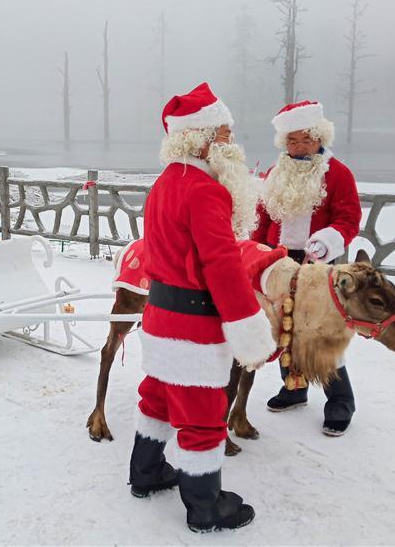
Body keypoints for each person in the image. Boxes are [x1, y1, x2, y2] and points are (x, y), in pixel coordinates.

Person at [129, 82, 276, 533]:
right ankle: (205, 506)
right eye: (226, 134)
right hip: (193, 323)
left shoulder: (164, 184)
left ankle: (146, 473)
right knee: (203, 415)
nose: (232, 143)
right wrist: (248, 324)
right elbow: (221, 264)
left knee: (156, 396)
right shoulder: (206, 191)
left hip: (160, 317)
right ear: (204, 138)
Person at [251, 100, 362, 436]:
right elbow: (262, 217)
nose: (298, 147)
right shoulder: (274, 174)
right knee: (282, 326)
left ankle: (340, 401)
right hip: (277, 259)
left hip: (318, 263)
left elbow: (349, 219)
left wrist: (328, 240)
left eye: (304, 140)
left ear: (319, 137)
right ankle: (294, 388)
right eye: (291, 141)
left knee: (320, 332)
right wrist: (254, 250)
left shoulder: (338, 173)